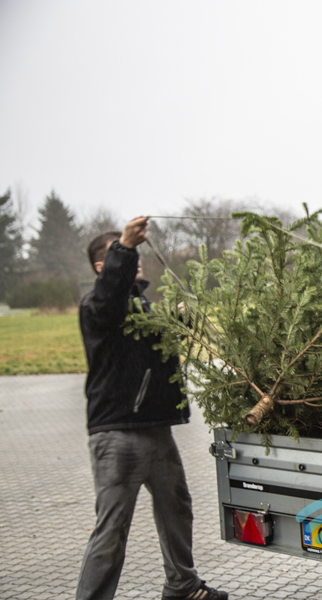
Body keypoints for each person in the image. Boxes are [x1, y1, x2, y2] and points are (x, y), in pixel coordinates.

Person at [77, 216, 227, 600]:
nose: (135, 258)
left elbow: (155, 354)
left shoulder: (140, 306)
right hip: (118, 434)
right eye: (123, 254)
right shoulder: (98, 304)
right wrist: (124, 246)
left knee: (177, 509)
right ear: (102, 265)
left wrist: (176, 322)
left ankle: (182, 586)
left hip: (157, 430)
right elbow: (111, 300)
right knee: (111, 531)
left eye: (133, 252)